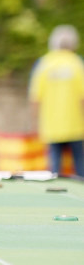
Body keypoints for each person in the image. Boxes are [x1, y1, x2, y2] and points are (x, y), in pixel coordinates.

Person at [28, 25, 84, 177]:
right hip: (76, 125)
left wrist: (35, 123)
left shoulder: (44, 64)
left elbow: (35, 98)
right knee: (80, 165)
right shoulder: (77, 64)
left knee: (54, 169)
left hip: (51, 125)